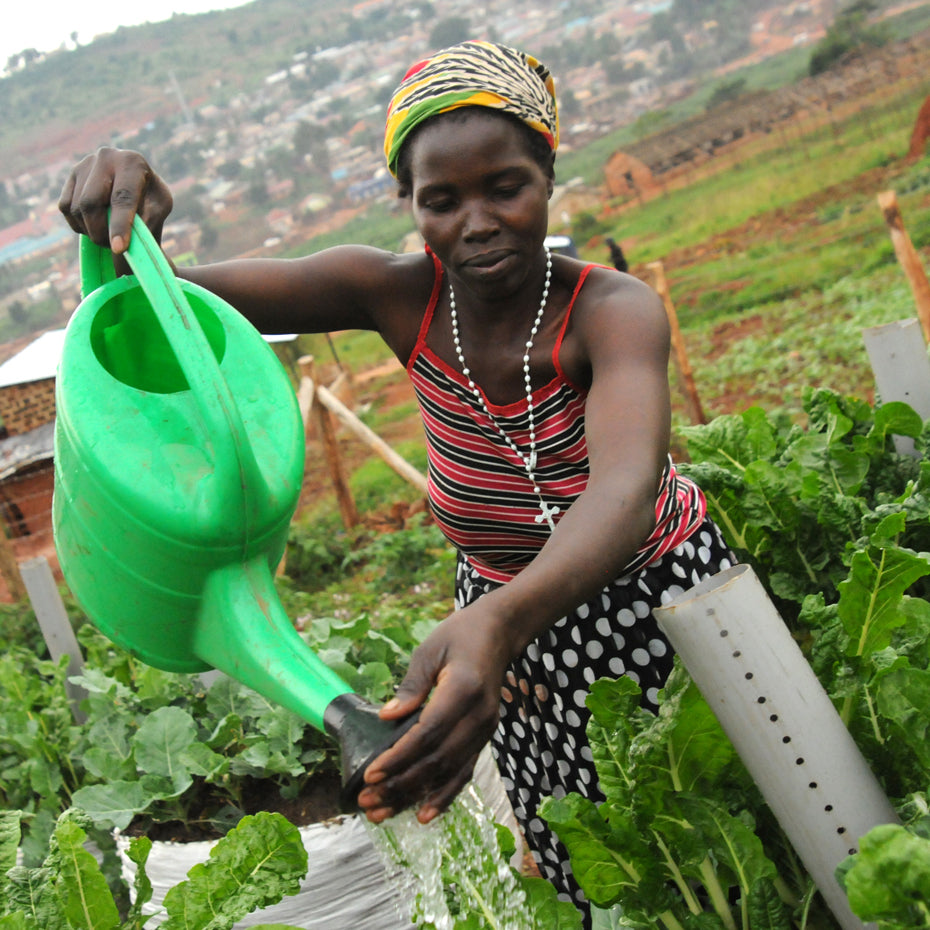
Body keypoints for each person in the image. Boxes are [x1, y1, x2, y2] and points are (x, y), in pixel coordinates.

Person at [59, 40, 735, 924]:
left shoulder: (612, 313)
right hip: (511, 635)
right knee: (588, 866)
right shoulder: (391, 293)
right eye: (441, 200)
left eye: (506, 186)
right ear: (409, 205)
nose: (477, 222)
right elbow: (159, 305)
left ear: (549, 174)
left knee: (714, 851)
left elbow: (623, 491)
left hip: (658, 613)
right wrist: (122, 216)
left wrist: (496, 622)